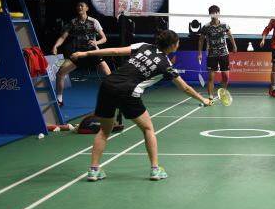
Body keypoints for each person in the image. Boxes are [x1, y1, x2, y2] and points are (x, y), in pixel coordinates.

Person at [72, 30, 211, 182]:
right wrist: (202, 99)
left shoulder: (144, 46)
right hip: (128, 91)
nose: (178, 44)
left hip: (108, 85)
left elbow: (116, 51)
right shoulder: (166, 65)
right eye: (177, 42)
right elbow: (185, 88)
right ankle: (155, 169)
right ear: (173, 45)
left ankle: (93, 170)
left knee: (104, 131)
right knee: (148, 129)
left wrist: (86, 53)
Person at [52, 1, 111, 106]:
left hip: (92, 52)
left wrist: (96, 42)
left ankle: (113, 97)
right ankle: (59, 100)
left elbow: (104, 38)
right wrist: (55, 46)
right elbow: (63, 37)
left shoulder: (94, 21)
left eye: (82, 6)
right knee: (60, 74)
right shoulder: (72, 22)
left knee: (109, 75)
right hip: (78, 53)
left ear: (86, 8)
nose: (79, 7)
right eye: (78, 6)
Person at [197, 5, 237, 101]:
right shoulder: (206, 27)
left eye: (216, 12)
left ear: (219, 13)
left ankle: (222, 93)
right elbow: (201, 40)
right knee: (211, 77)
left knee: (226, 77)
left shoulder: (224, 25)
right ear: (210, 14)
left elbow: (230, 36)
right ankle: (210, 97)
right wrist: (200, 53)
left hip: (224, 53)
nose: (214, 14)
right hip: (211, 54)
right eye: (212, 12)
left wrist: (234, 46)